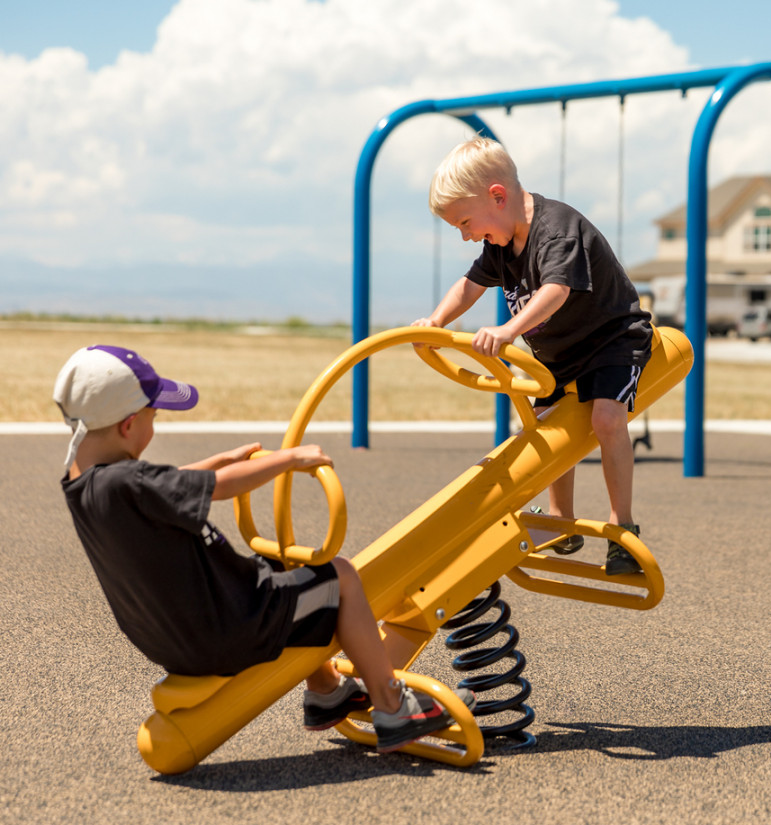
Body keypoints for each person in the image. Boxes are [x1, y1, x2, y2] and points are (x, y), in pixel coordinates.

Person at [54, 344, 472, 754]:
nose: (153, 425)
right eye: (153, 416)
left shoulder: (87, 483)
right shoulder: (132, 483)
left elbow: (165, 481)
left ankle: (326, 689)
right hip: (226, 629)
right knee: (339, 576)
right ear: (128, 425)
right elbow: (218, 488)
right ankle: (393, 704)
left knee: (281, 563)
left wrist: (219, 459)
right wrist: (289, 460)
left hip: (170, 638)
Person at [413, 136, 652, 576]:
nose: (467, 237)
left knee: (605, 420)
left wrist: (507, 331)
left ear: (497, 197)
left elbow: (556, 290)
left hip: (611, 340)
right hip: (560, 354)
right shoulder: (501, 242)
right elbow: (470, 285)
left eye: (465, 223)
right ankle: (562, 519)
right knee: (545, 432)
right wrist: (436, 321)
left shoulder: (556, 230)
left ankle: (624, 529)